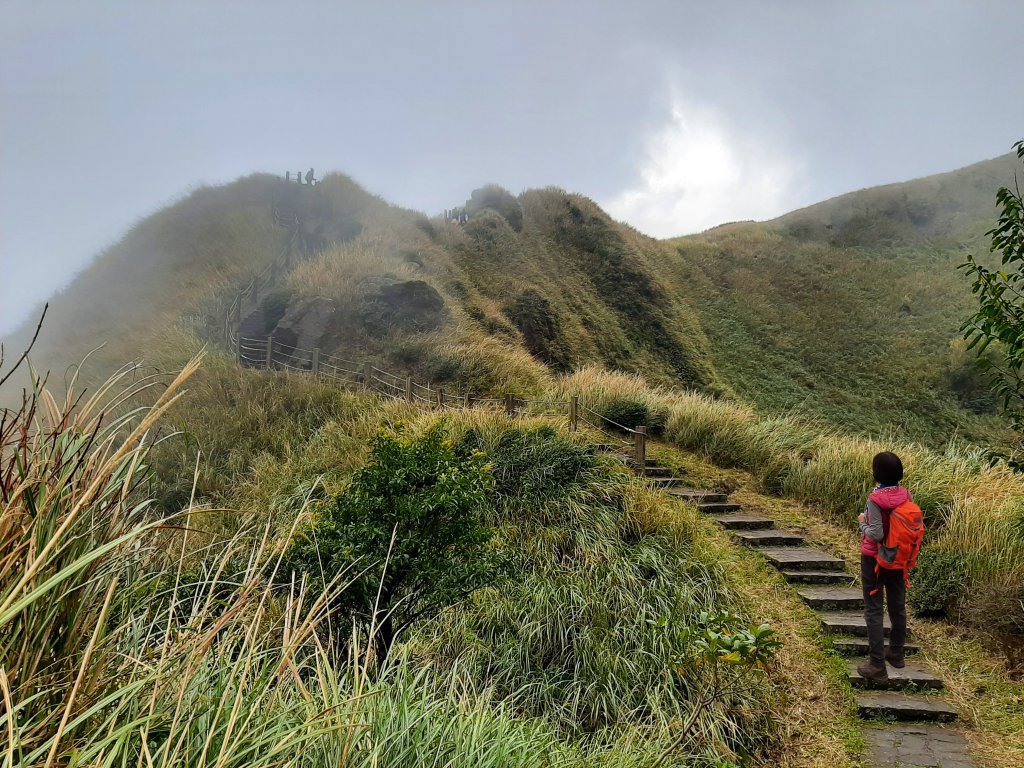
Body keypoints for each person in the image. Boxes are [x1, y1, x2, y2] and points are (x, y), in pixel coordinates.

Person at [857, 451, 909, 681]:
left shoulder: (875, 499)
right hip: (898, 557)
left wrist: (862, 524)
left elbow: (877, 533)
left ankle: (877, 664)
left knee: (874, 608)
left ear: (876, 473)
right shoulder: (905, 495)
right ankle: (896, 652)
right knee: (897, 605)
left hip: (875, 559)